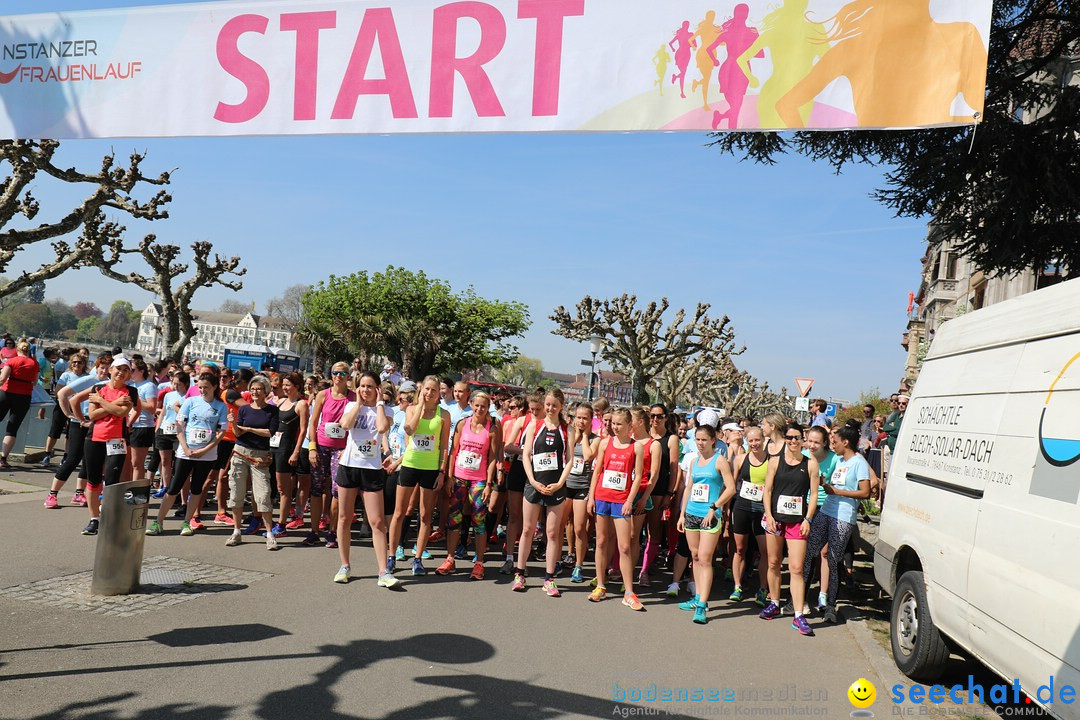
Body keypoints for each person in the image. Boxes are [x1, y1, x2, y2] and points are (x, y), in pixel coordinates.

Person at [803, 420, 871, 624]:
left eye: (836, 442)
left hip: (843, 516)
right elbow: (835, 484)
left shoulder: (859, 462)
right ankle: (799, 600)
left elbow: (866, 492)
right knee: (810, 554)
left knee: (833, 560)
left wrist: (838, 491)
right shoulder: (839, 461)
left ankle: (830, 607)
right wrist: (826, 484)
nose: (834, 446)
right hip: (826, 510)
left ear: (847, 443)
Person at [145, 373, 229, 537]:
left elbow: (221, 431)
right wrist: (185, 447)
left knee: (197, 489)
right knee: (174, 487)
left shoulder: (221, 406)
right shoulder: (191, 402)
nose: (203, 390)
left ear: (214, 387)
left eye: (206, 387)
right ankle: (158, 521)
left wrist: (204, 450)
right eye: (200, 387)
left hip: (206, 454)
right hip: (186, 452)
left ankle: (187, 521)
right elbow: (179, 425)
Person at [333, 371, 395, 586]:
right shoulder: (351, 406)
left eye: (370, 386)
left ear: (378, 388)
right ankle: (344, 565)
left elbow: (381, 428)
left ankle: (383, 571)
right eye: (362, 386)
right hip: (349, 466)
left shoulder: (387, 410)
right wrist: (358, 404)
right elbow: (345, 425)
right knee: (344, 518)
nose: (365, 390)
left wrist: (378, 404)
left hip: (371, 469)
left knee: (377, 522)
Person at [760, 422, 819, 636]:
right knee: (774, 562)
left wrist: (808, 519)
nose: (793, 441)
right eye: (790, 437)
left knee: (795, 567)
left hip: (797, 521)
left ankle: (798, 615)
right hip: (776, 519)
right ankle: (774, 603)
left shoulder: (811, 464)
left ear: (802, 440)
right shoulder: (774, 462)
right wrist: (769, 515)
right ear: (785, 438)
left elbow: (813, 495)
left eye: (797, 438)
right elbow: (767, 490)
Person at [71, 357, 139, 536]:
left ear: (129, 374)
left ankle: (109, 518)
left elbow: (122, 412)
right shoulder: (98, 388)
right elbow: (92, 415)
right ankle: (94, 519)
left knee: (111, 482)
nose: (121, 372)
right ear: (110, 370)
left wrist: (102, 401)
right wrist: (113, 403)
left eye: (126, 370)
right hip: (94, 439)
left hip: (117, 440)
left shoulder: (131, 391)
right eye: (118, 369)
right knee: (93, 481)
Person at [676, 424, 736, 624]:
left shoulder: (720, 461)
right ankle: (697, 597)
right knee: (694, 555)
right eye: (697, 439)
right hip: (692, 512)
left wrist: (714, 507)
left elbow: (731, 489)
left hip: (710, 516)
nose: (700, 443)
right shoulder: (694, 461)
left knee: (705, 558)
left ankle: (702, 604)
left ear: (713, 440)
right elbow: (688, 488)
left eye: (704, 440)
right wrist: (682, 514)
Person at [587, 408, 646, 611]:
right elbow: (597, 471)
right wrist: (591, 497)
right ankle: (601, 585)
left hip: (622, 500)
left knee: (625, 546)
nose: (615, 427)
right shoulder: (605, 443)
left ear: (629, 426)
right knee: (601, 541)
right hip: (602, 497)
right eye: (613, 423)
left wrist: (630, 500)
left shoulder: (636, 447)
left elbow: (638, 476)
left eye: (620, 424)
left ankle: (629, 592)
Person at [515, 387, 572, 596]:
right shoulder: (534, 425)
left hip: (555, 486)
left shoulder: (567, 429)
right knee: (528, 530)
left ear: (561, 406)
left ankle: (549, 578)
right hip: (534, 485)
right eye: (547, 404)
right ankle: (520, 573)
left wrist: (559, 483)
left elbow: (570, 460)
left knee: (552, 533)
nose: (550, 408)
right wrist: (532, 480)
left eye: (554, 405)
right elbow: (527, 454)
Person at [391, 375, 450, 575]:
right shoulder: (410, 409)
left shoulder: (444, 415)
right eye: (426, 389)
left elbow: (444, 446)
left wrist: (442, 471)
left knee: (425, 515)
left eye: (434, 390)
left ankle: (417, 558)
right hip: (410, 464)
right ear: (421, 390)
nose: (430, 393)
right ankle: (391, 555)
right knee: (400, 512)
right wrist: (420, 408)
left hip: (431, 468)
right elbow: (409, 428)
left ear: (438, 394)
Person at [440, 391, 501, 580]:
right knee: (454, 518)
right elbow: (453, 451)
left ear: (488, 407)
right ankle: (450, 558)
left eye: (483, 406)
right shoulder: (462, 424)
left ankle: (479, 563)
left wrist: (490, 484)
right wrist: (449, 477)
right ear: (471, 404)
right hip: (459, 477)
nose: (479, 409)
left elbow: (492, 458)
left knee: (479, 520)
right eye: (476, 405)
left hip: (479, 480)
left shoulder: (492, 429)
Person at [44, 355, 109, 510]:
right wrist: (70, 414)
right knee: (72, 459)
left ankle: (79, 492)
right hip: (80, 422)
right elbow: (62, 394)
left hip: (96, 423)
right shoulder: (89, 380)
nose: (104, 371)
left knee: (89, 460)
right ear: (96, 367)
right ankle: (52, 494)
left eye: (107, 369)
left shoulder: (108, 383)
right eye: (102, 368)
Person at [226, 375, 280, 550]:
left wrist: (249, 429)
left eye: (259, 389)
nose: (255, 392)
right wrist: (233, 424)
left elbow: (270, 432)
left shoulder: (272, 411)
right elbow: (238, 433)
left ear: (266, 391)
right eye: (253, 388)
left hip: (260, 456)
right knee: (236, 493)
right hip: (240, 453)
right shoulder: (244, 410)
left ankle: (270, 534)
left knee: (263, 494)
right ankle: (236, 531)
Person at [306, 362, 355, 547]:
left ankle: (332, 531)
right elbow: (313, 422)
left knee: (337, 490)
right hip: (321, 446)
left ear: (348, 376)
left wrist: (348, 449)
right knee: (316, 488)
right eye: (335, 372)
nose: (339, 376)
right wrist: (312, 447)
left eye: (343, 373)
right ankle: (314, 530)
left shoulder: (353, 398)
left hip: (341, 449)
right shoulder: (322, 395)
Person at [730, 426, 770, 606]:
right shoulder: (740, 459)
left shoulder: (772, 461)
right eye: (750, 441)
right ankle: (737, 586)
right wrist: (725, 509)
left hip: (762, 510)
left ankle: (763, 588)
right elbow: (731, 485)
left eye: (757, 440)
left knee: (765, 552)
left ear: (763, 440)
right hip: (742, 507)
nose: (754, 444)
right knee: (740, 549)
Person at [641, 404, 679, 588]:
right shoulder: (643, 435)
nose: (656, 419)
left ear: (666, 418)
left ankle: (645, 570)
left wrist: (669, 493)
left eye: (660, 416)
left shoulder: (671, 439)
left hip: (659, 489)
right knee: (633, 532)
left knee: (653, 530)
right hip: (639, 487)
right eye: (653, 416)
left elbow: (673, 469)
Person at [565, 402, 599, 584]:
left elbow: (587, 456)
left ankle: (579, 564)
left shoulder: (595, 439)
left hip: (582, 486)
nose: (581, 421)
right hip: (566, 485)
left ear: (591, 420)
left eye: (585, 418)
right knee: (566, 523)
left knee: (579, 526)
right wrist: (575, 436)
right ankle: (569, 553)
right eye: (579, 417)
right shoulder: (569, 436)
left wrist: (584, 436)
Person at [272, 372, 310, 538]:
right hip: (272, 446)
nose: (285, 388)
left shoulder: (302, 404)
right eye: (284, 385)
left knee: (283, 489)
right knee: (269, 486)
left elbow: (303, 431)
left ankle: (281, 524)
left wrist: (296, 452)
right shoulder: (280, 402)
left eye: (288, 385)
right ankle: (264, 519)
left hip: (287, 449)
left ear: (297, 386)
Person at [42, 351, 88, 467]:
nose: (77, 364)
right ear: (71, 364)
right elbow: (58, 392)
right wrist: (68, 398)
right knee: (55, 430)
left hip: (78, 407)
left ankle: (66, 456)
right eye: (74, 362)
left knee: (70, 433)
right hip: (63, 406)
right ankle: (47, 454)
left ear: (84, 364)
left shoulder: (87, 377)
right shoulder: (66, 375)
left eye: (80, 362)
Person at [0, 340, 41, 469]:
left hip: (6, 393)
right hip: (23, 397)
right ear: (29, 350)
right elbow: (35, 383)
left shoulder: (11, 361)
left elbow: (2, 379)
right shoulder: (35, 364)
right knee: (12, 428)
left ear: (17, 349)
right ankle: (3, 458)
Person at [153, 370, 189, 502]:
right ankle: (165, 486)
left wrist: (178, 409)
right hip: (165, 429)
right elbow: (163, 412)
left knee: (179, 462)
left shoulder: (188, 398)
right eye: (173, 383)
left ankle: (179, 490)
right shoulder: (169, 395)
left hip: (179, 432)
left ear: (185, 384)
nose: (175, 386)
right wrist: (157, 429)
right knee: (165, 460)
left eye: (178, 384)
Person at [128, 357, 159, 482]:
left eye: (132, 369)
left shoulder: (149, 386)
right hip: (130, 424)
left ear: (141, 371)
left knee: (137, 463)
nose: (129, 372)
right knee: (128, 462)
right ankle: (127, 488)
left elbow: (152, 408)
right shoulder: (131, 385)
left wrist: (136, 400)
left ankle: (136, 491)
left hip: (143, 426)